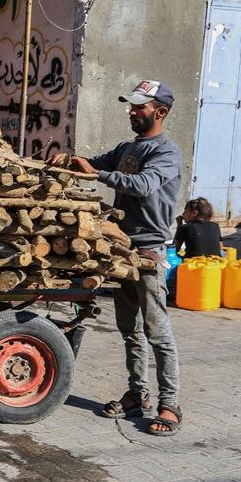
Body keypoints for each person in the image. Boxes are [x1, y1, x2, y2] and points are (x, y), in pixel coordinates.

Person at [49, 79, 183, 437]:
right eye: (132, 105)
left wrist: (99, 174)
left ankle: (170, 403)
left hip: (149, 252)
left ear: (160, 112)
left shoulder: (166, 153)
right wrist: (70, 161)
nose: (132, 111)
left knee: (158, 333)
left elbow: (142, 185)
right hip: (122, 249)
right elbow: (94, 165)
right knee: (130, 331)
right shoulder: (128, 147)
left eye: (139, 106)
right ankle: (138, 395)